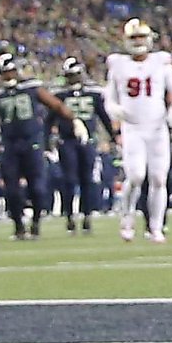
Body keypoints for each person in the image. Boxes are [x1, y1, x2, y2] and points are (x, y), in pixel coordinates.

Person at [104, 19, 172, 244]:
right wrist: (115, 110)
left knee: (159, 178)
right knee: (136, 175)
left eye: (141, 37)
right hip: (132, 127)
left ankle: (156, 227)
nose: (138, 42)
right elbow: (108, 98)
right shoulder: (118, 65)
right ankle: (127, 216)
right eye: (134, 38)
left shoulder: (161, 63)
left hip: (157, 127)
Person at [0, 55, 78, 240]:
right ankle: (18, 226)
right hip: (9, 144)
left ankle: (35, 223)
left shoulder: (31, 87)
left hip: (32, 142)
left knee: (37, 187)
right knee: (12, 189)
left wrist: (74, 120)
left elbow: (55, 105)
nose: (8, 76)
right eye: (4, 73)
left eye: (10, 71)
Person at [52, 57, 113, 234]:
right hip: (67, 140)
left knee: (88, 180)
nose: (73, 79)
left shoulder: (93, 92)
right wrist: (47, 140)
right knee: (69, 181)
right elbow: (50, 119)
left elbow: (103, 116)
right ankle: (70, 215)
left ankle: (87, 216)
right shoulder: (60, 94)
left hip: (88, 141)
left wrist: (113, 135)